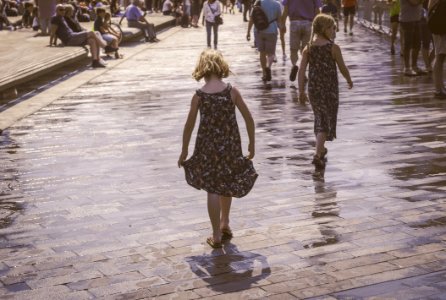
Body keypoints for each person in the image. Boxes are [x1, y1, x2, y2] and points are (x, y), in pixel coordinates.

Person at [178, 49, 257, 248]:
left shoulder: (198, 96)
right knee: (226, 181)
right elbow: (249, 119)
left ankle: (216, 234)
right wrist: (251, 144)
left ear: (202, 69)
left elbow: (189, 126)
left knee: (212, 188)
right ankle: (225, 222)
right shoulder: (232, 91)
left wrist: (184, 150)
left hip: (207, 147)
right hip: (230, 144)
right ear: (221, 67)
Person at [297, 14, 353, 176]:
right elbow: (342, 67)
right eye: (331, 27)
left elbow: (301, 71)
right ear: (323, 29)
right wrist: (348, 79)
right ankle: (317, 153)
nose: (334, 31)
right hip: (329, 90)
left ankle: (320, 150)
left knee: (320, 118)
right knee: (325, 120)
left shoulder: (308, 48)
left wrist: (301, 90)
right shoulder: (333, 48)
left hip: (314, 89)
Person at [50, 4, 107, 68]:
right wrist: (51, 43)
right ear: (56, 10)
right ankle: (106, 47)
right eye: (61, 10)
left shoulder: (62, 18)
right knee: (92, 33)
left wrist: (55, 42)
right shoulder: (55, 18)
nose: (63, 11)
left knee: (92, 40)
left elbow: (57, 33)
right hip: (70, 39)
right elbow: (53, 32)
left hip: (73, 37)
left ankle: (95, 61)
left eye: (64, 10)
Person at [281, 0, 321, 82]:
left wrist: (283, 25)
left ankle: (295, 65)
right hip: (308, 23)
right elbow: (317, 11)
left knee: (293, 49)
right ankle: (304, 73)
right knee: (306, 50)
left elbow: (285, 10)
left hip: (294, 23)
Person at [247, 0, 282, 82]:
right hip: (272, 31)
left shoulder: (257, 2)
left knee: (262, 53)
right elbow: (279, 20)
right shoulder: (277, 4)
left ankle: (264, 73)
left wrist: (248, 32)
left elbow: (251, 19)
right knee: (271, 53)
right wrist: (282, 30)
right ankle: (268, 67)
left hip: (259, 31)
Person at [400, 0, 423, 76]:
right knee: (408, 44)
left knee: (417, 44)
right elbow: (413, 2)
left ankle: (414, 66)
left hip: (417, 19)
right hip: (407, 20)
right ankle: (407, 68)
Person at [428, 0, 446, 99]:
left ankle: (440, 87)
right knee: (440, 57)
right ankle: (438, 89)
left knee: (441, 57)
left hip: (440, 27)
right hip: (441, 29)